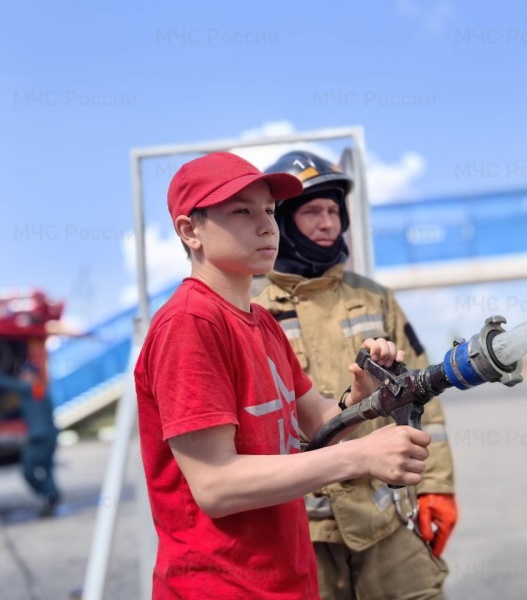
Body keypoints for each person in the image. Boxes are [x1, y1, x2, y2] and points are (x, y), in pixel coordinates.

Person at [135, 151, 432, 599]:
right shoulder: (190, 324)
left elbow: (318, 425)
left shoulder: (261, 321)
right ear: (189, 230)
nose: (266, 225)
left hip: (285, 580)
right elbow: (215, 485)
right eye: (241, 211)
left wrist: (360, 397)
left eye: (270, 211)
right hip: (221, 587)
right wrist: (361, 456)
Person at [251, 150, 455, 600]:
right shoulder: (251, 309)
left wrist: (437, 486)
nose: (327, 222)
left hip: (386, 513)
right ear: (282, 219)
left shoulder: (375, 298)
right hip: (301, 529)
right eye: (311, 212)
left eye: (333, 211)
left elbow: (426, 395)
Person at [0, 337, 61, 516]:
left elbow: (10, 384)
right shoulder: (37, 389)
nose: (22, 377)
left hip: (40, 437)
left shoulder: (33, 389)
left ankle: (50, 495)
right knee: (47, 469)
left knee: (28, 470)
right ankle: (52, 498)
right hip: (47, 435)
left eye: (25, 375)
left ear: (32, 376)